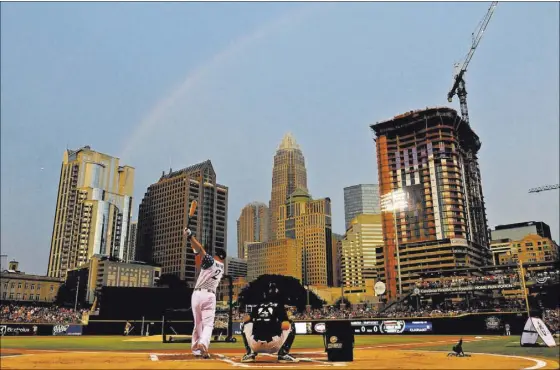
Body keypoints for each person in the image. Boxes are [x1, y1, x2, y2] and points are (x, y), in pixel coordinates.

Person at [184, 227, 226, 359]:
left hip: (197, 295)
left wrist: (190, 236)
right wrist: (192, 242)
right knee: (208, 324)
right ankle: (203, 344)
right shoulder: (222, 267)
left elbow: (200, 251)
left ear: (216, 255)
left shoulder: (211, 261)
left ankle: (196, 349)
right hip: (210, 295)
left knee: (198, 324)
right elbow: (198, 254)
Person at [241, 282, 298, 363]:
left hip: (255, 345)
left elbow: (246, 319)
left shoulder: (259, 305)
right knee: (290, 324)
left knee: (245, 324)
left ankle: (250, 353)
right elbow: (285, 324)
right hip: (273, 345)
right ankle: (283, 354)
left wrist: (260, 320)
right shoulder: (279, 305)